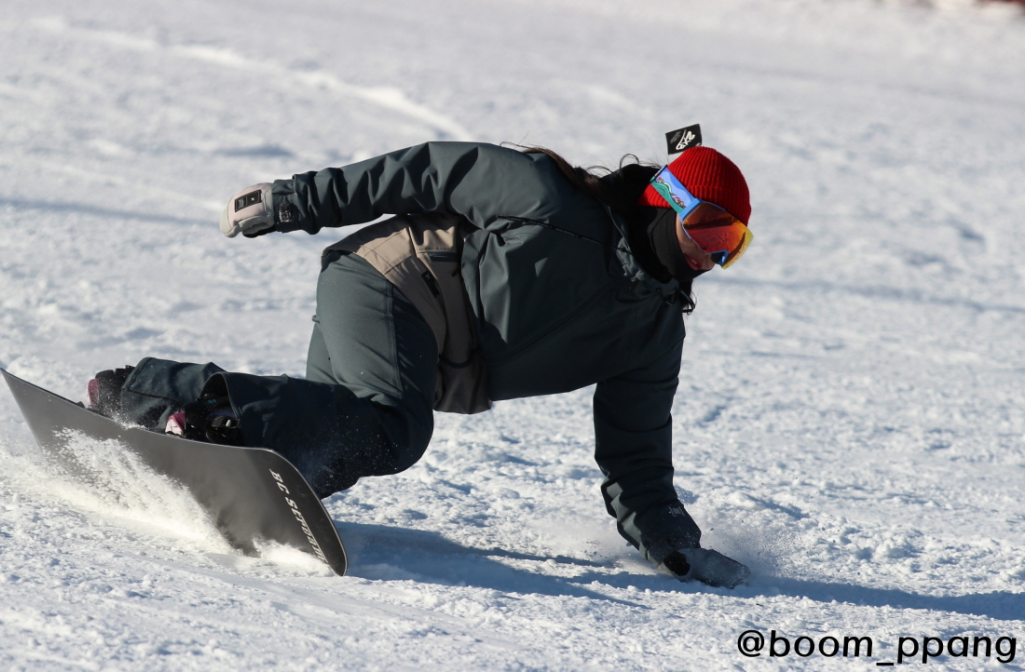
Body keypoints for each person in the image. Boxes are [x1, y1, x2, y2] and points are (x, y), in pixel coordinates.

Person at [87, 141, 754, 587]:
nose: (712, 258)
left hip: (425, 348)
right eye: (709, 232)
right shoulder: (551, 202)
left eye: (733, 246)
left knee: (331, 440)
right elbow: (422, 170)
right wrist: (296, 201)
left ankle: (177, 421)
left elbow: (636, 450)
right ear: (663, 203)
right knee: (392, 430)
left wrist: (669, 540)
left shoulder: (655, 330)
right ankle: (170, 399)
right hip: (390, 282)